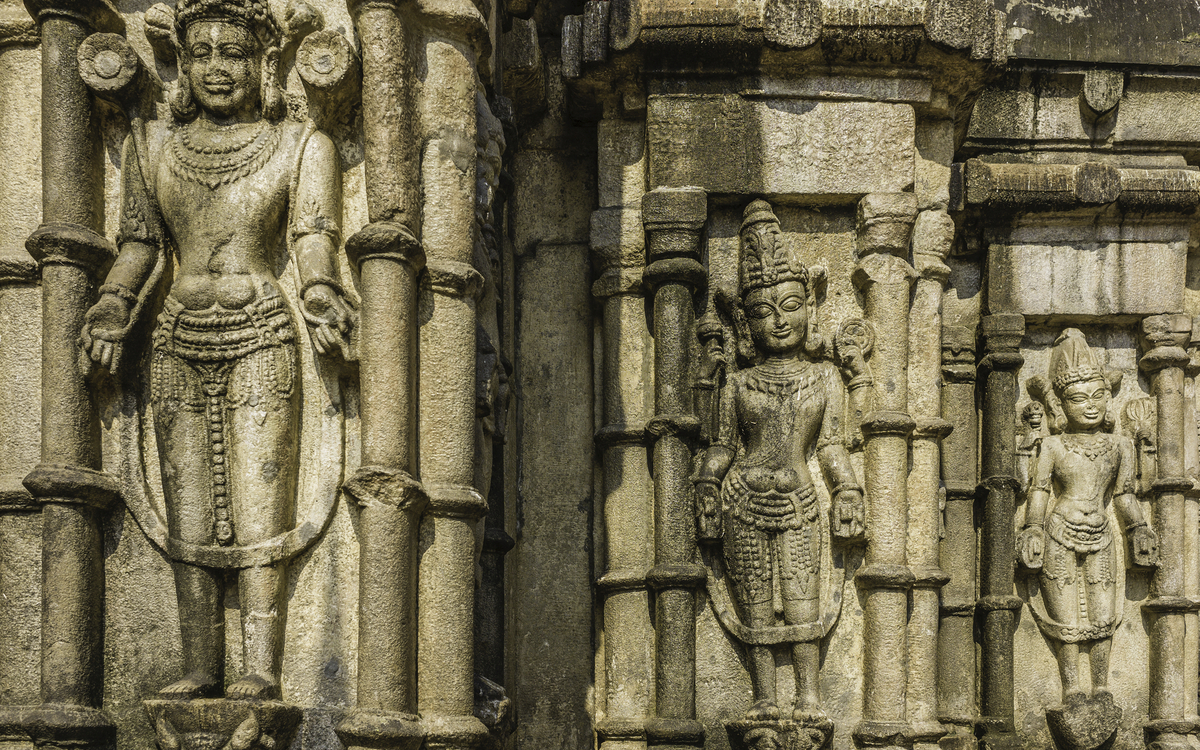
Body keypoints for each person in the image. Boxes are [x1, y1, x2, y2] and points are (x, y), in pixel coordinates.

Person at [81, 0, 352, 700]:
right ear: (181, 63)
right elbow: (140, 246)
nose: (215, 69)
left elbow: (311, 239)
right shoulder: (151, 146)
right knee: (188, 507)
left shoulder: (300, 146)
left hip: (261, 329)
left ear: (262, 62)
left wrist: (322, 294)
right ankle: (200, 662)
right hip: (176, 334)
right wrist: (111, 305)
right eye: (200, 53)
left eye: (231, 54)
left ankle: (261, 668)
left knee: (263, 503)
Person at [694, 200, 864, 722]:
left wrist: (849, 490)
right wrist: (705, 483)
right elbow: (723, 446)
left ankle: (809, 697)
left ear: (810, 308)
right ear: (745, 322)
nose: (779, 320)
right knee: (754, 602)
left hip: (798, 500)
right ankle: (765, 697)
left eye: (790, 305)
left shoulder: (825, 379)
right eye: (763, 312)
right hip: (743, 500)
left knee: (800, 598)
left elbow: (832, 448)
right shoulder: (739, 384)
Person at [1018, 329, 1157, 703]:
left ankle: (1101, 685)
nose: (1091, 406)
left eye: (1098, 396)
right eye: (1079, 398)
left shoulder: (1120, 445)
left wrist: (1139, 528)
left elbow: (1124, 495)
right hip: (1058, 528)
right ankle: (1071, 687)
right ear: (1061, 404)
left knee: (1102, 613)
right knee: (1064, 616)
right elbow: (1039, 491)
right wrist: (1031, 529)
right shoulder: (1051, 445)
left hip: (1102, 530)